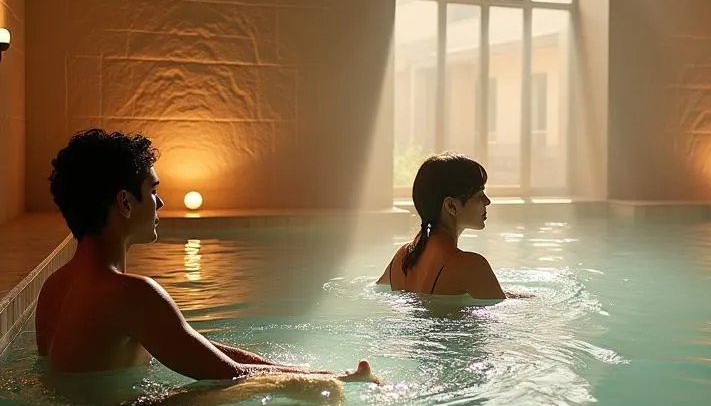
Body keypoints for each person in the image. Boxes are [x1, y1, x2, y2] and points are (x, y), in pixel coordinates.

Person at [35, 129, 380, 388]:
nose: (161, 204)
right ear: (125, 203)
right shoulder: (132, 294)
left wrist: (291, 368)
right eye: (153, 191)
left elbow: (192, 346)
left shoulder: (54, 290)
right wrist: (333, 380)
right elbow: (229, 376)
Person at [377, 153, 508, 299]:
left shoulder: (402, 258)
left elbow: (379, 292)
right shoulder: (471, 266)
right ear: (451, 206)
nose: (487, 201)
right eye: (479, 193)